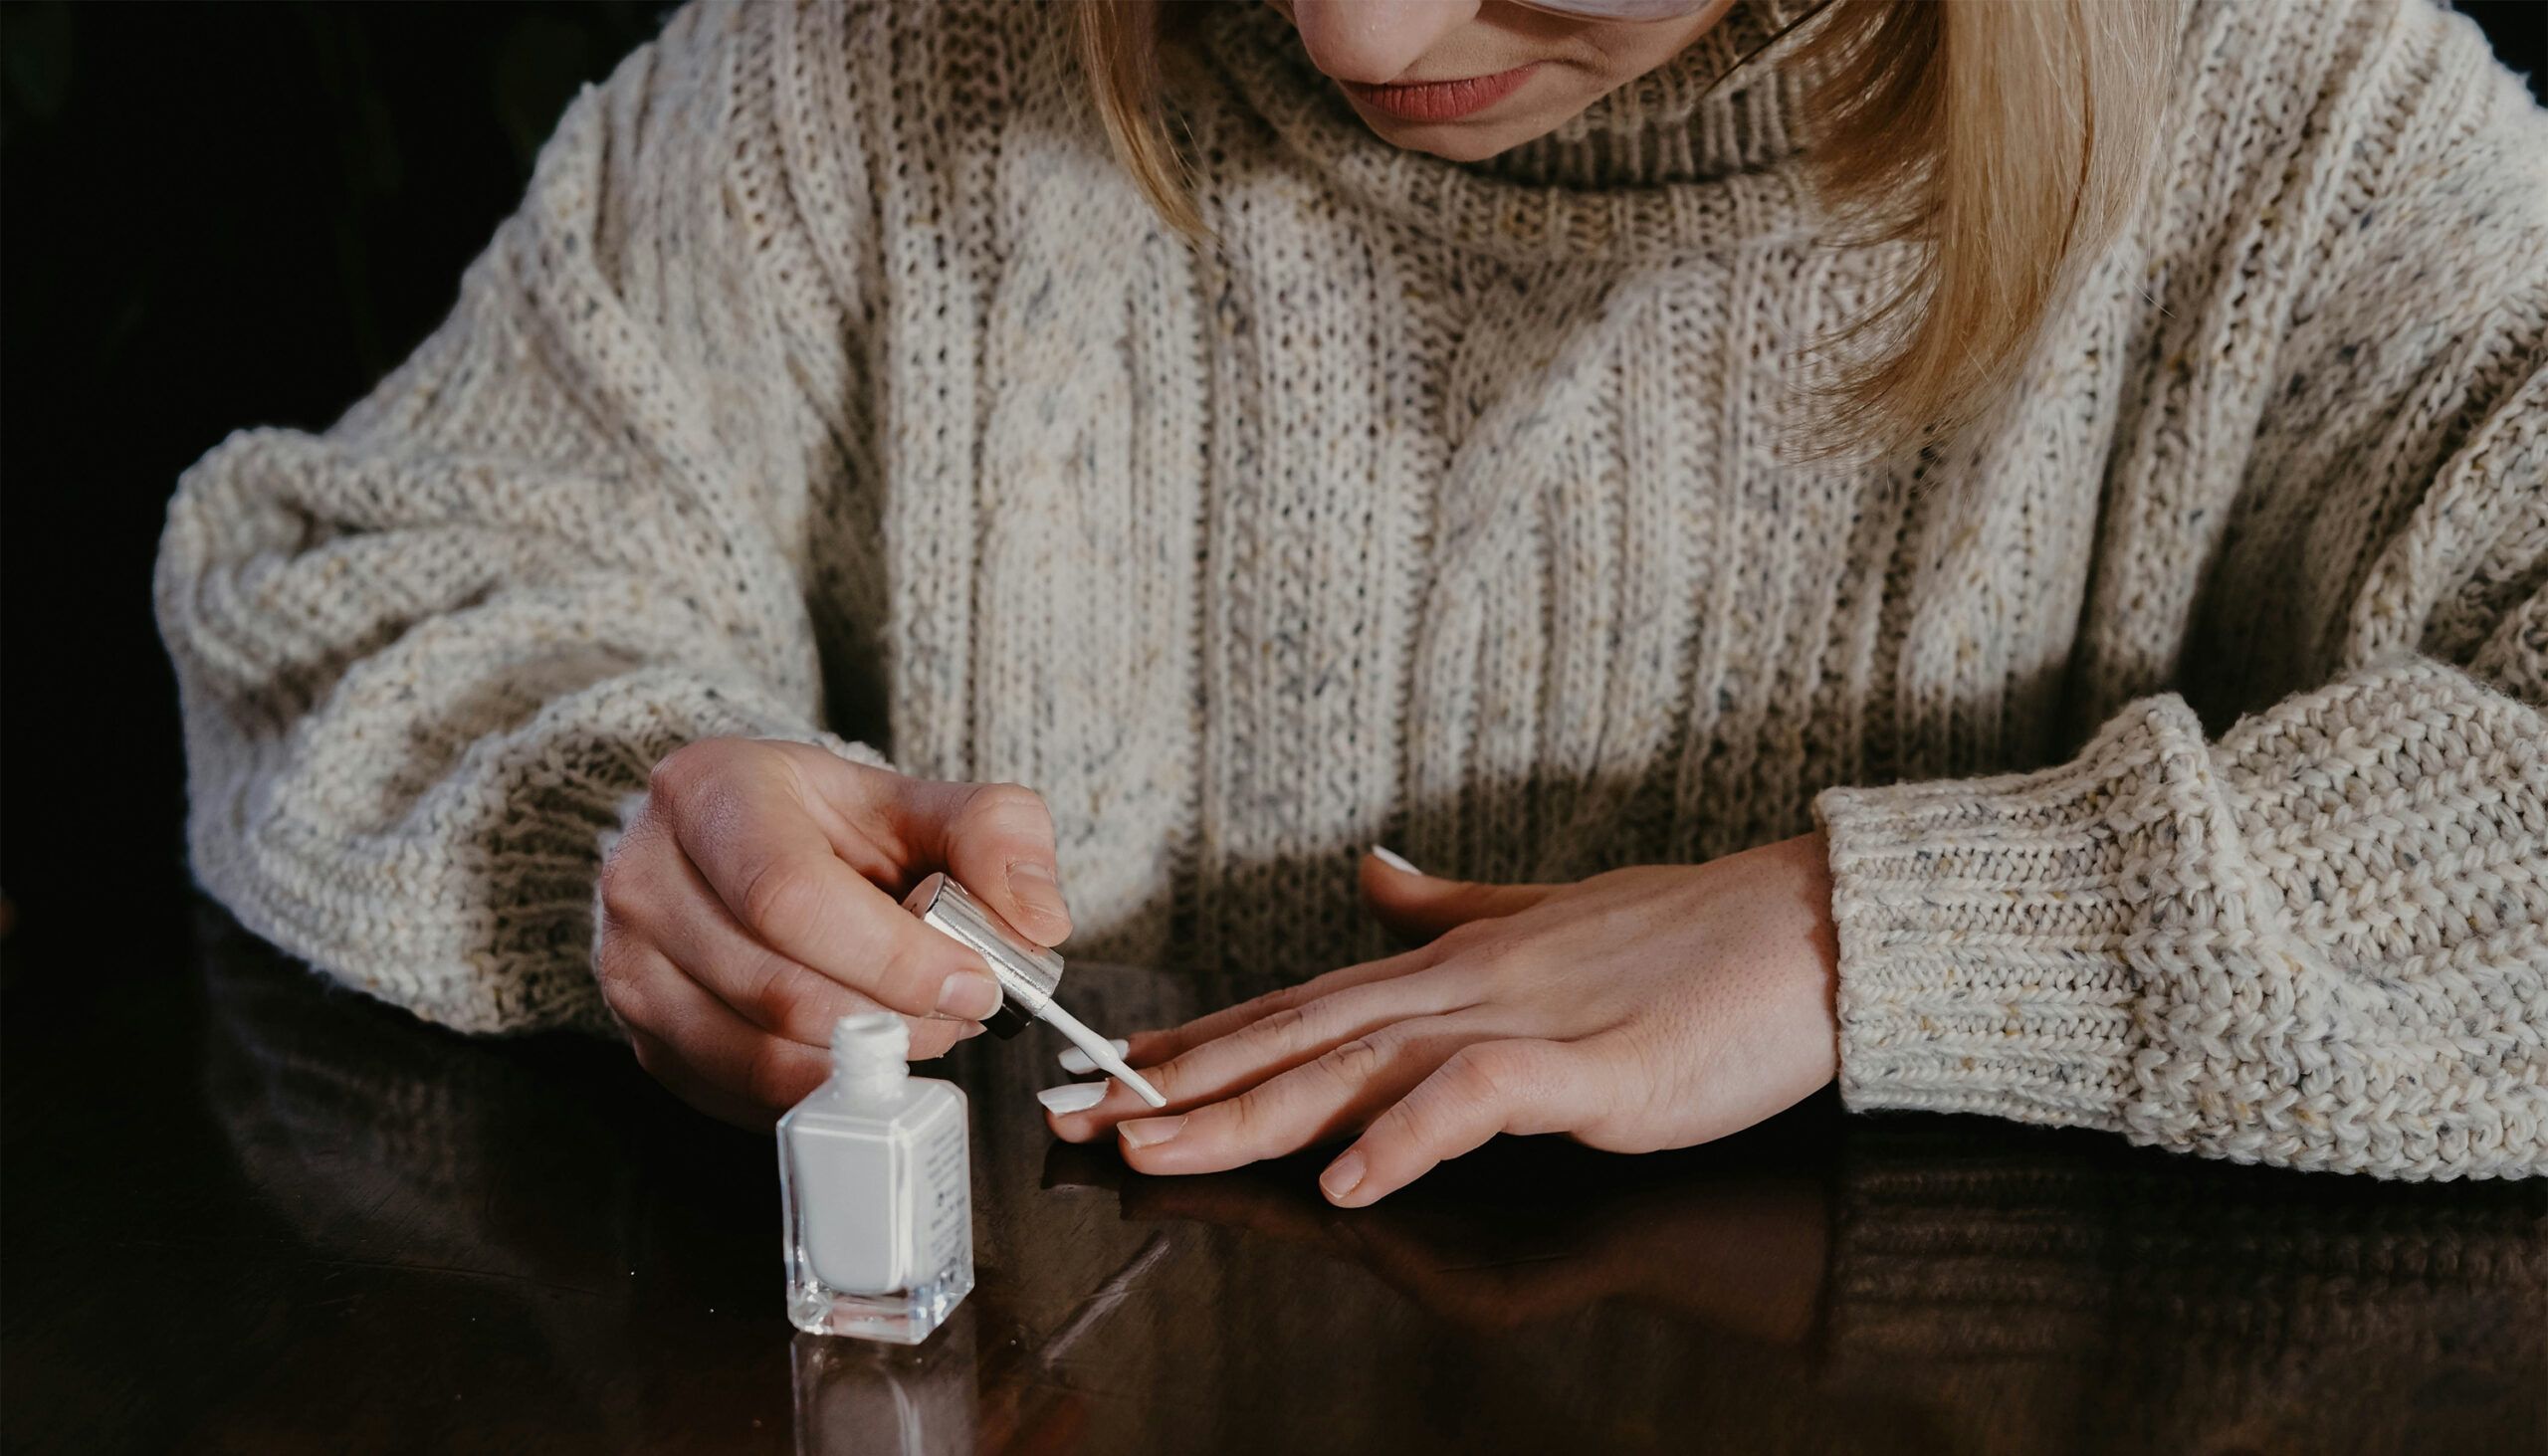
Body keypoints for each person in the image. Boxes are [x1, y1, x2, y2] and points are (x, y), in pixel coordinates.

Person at [156, 0, 2546, 1195]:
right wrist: (618, 832)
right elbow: (340, 582)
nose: (1352, 32)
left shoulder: (2303, 133)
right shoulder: (871, 68)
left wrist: (1874, 935)